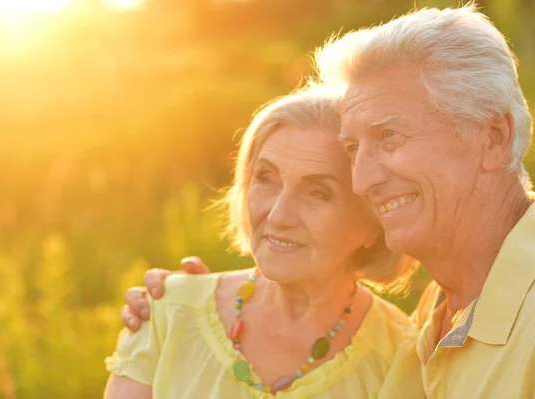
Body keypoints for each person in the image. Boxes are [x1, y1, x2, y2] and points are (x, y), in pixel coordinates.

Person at [121, 4, 535, 398]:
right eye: (354, 147)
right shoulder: (434, 317)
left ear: (493, 137)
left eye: (390, 136)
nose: (363, 180)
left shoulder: (401, 343)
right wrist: (186, 311)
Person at [104, 89, 423, 398]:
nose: (279, 214)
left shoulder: (401, 355)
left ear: (373, 224)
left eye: (317, 193)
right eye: (266, 178)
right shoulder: (167, 313)